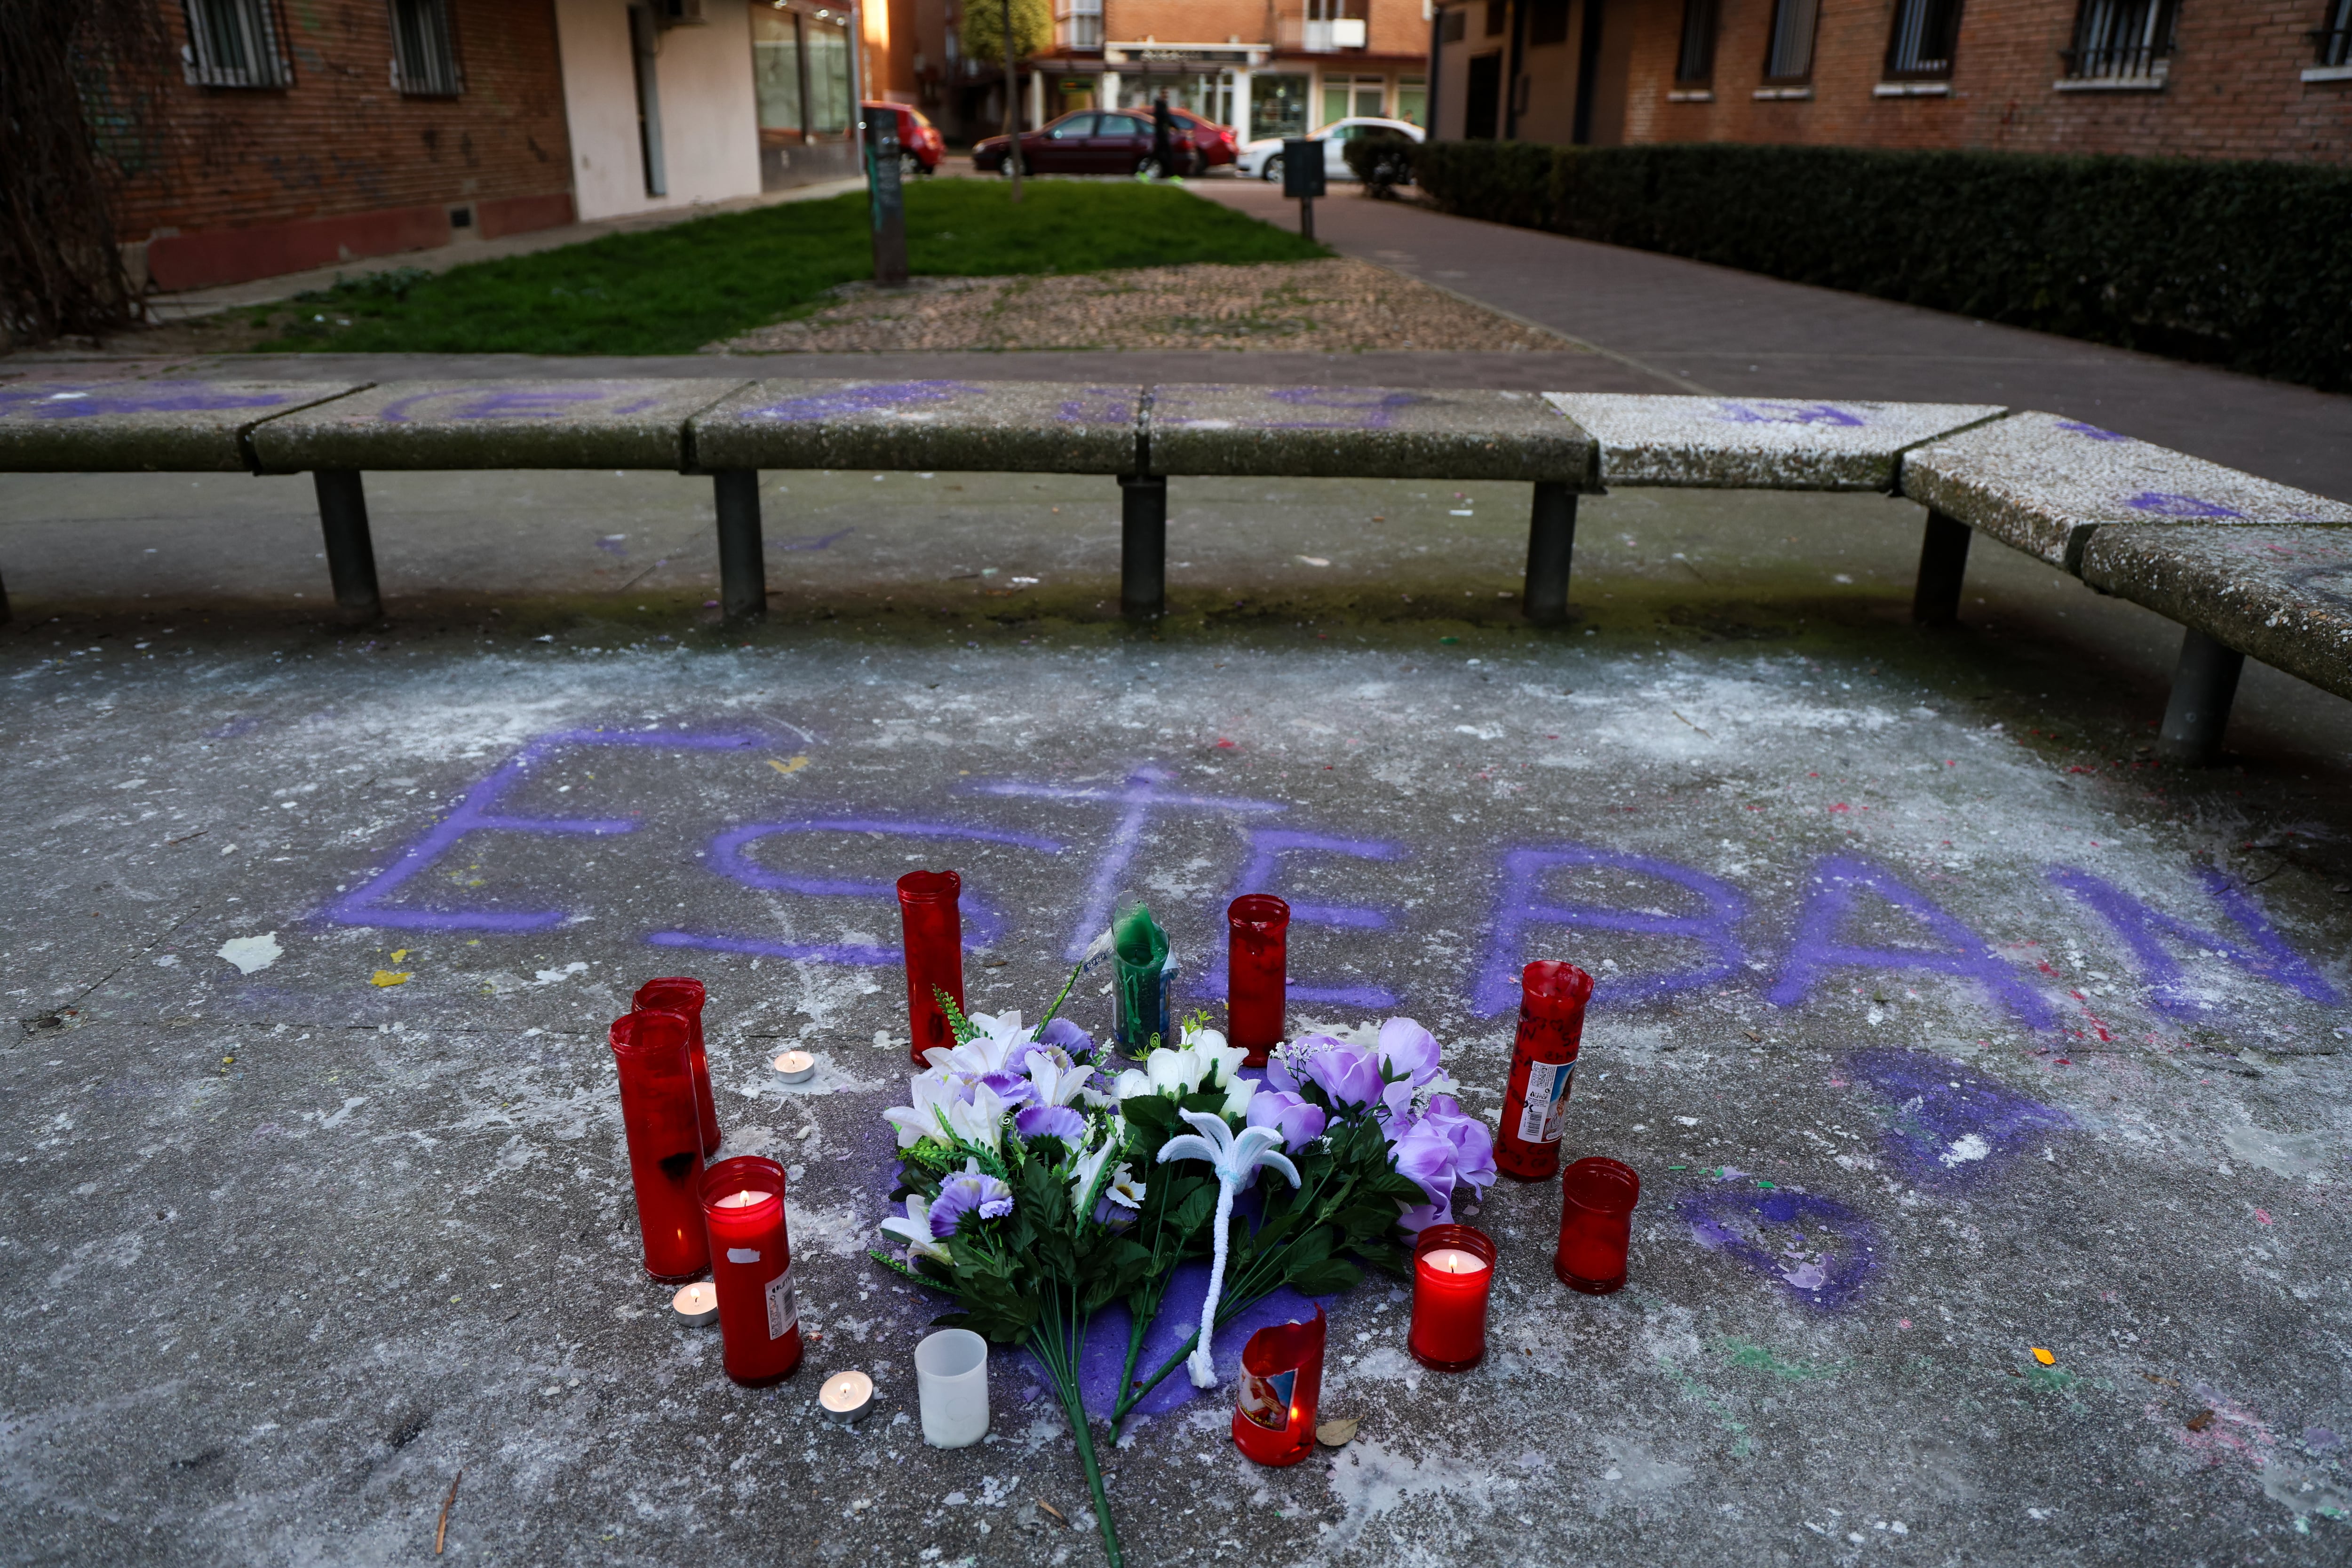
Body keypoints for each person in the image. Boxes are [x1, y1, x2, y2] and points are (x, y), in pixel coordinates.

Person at [1151, 92, 1177, 179]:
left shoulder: (1162, 105)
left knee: (1158, 155)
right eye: (1165, 94)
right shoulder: (1160, 106)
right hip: (1161, 135)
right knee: (1167, 154)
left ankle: (1170, 174)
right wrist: (1176, 127)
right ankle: (1172, 175)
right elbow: (1166, 118)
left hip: (1162, 134)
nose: (1167, 96)